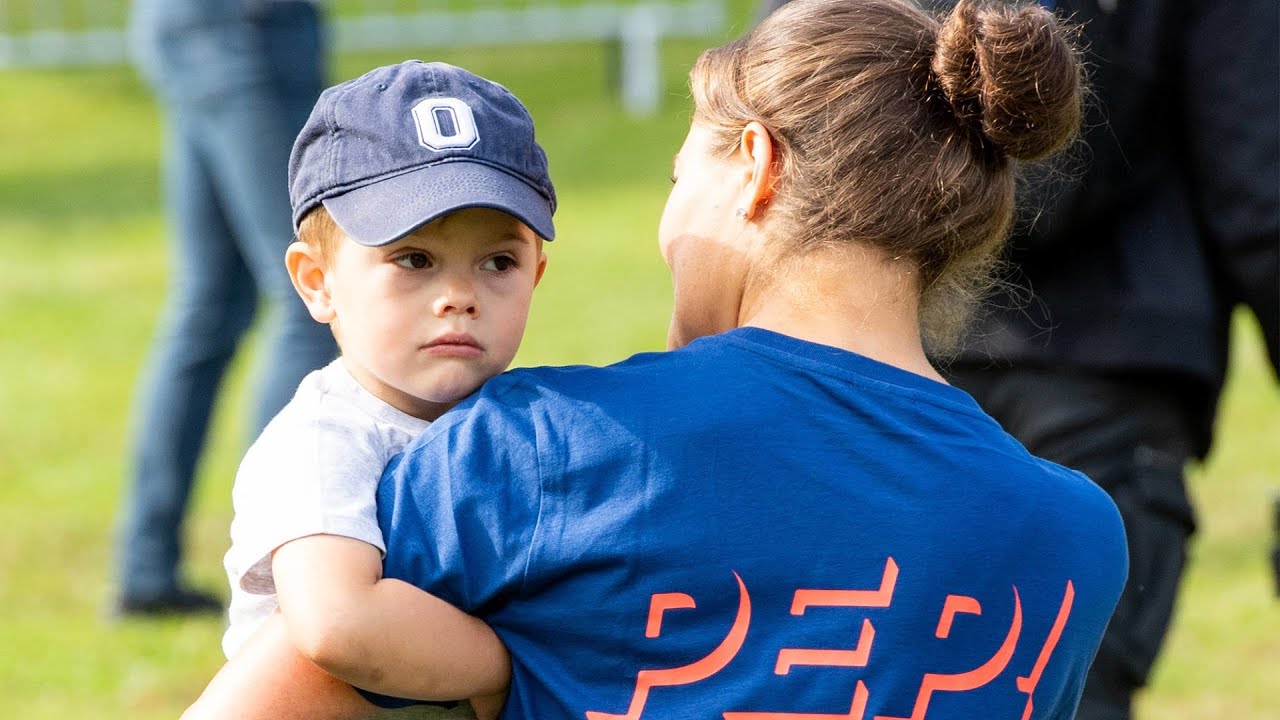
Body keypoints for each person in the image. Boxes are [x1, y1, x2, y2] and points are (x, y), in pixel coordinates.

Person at [192, 1, 1129, 718]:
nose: (668, 230)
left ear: (755, 169)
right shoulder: (1074, 540)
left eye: (681, 179)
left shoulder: (539, 451)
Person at [933, 1, 1279, 719]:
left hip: (908, 355)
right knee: (1070, 695)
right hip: (1110, 376)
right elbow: (1261, 191)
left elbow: (804, 98)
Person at [184, 60, 558, 720]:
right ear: (317, 282)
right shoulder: (325, 442)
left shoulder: (530, 419)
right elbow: (338, 622)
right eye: (413, 259)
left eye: (498, 262)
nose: (458, 297)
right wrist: (516, 668)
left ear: (537, 273)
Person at [115, 0, 339, 615]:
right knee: (312, 299)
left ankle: (146, 568)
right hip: (249, 28)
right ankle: (275, 561)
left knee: (209, 306)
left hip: (193, 25)